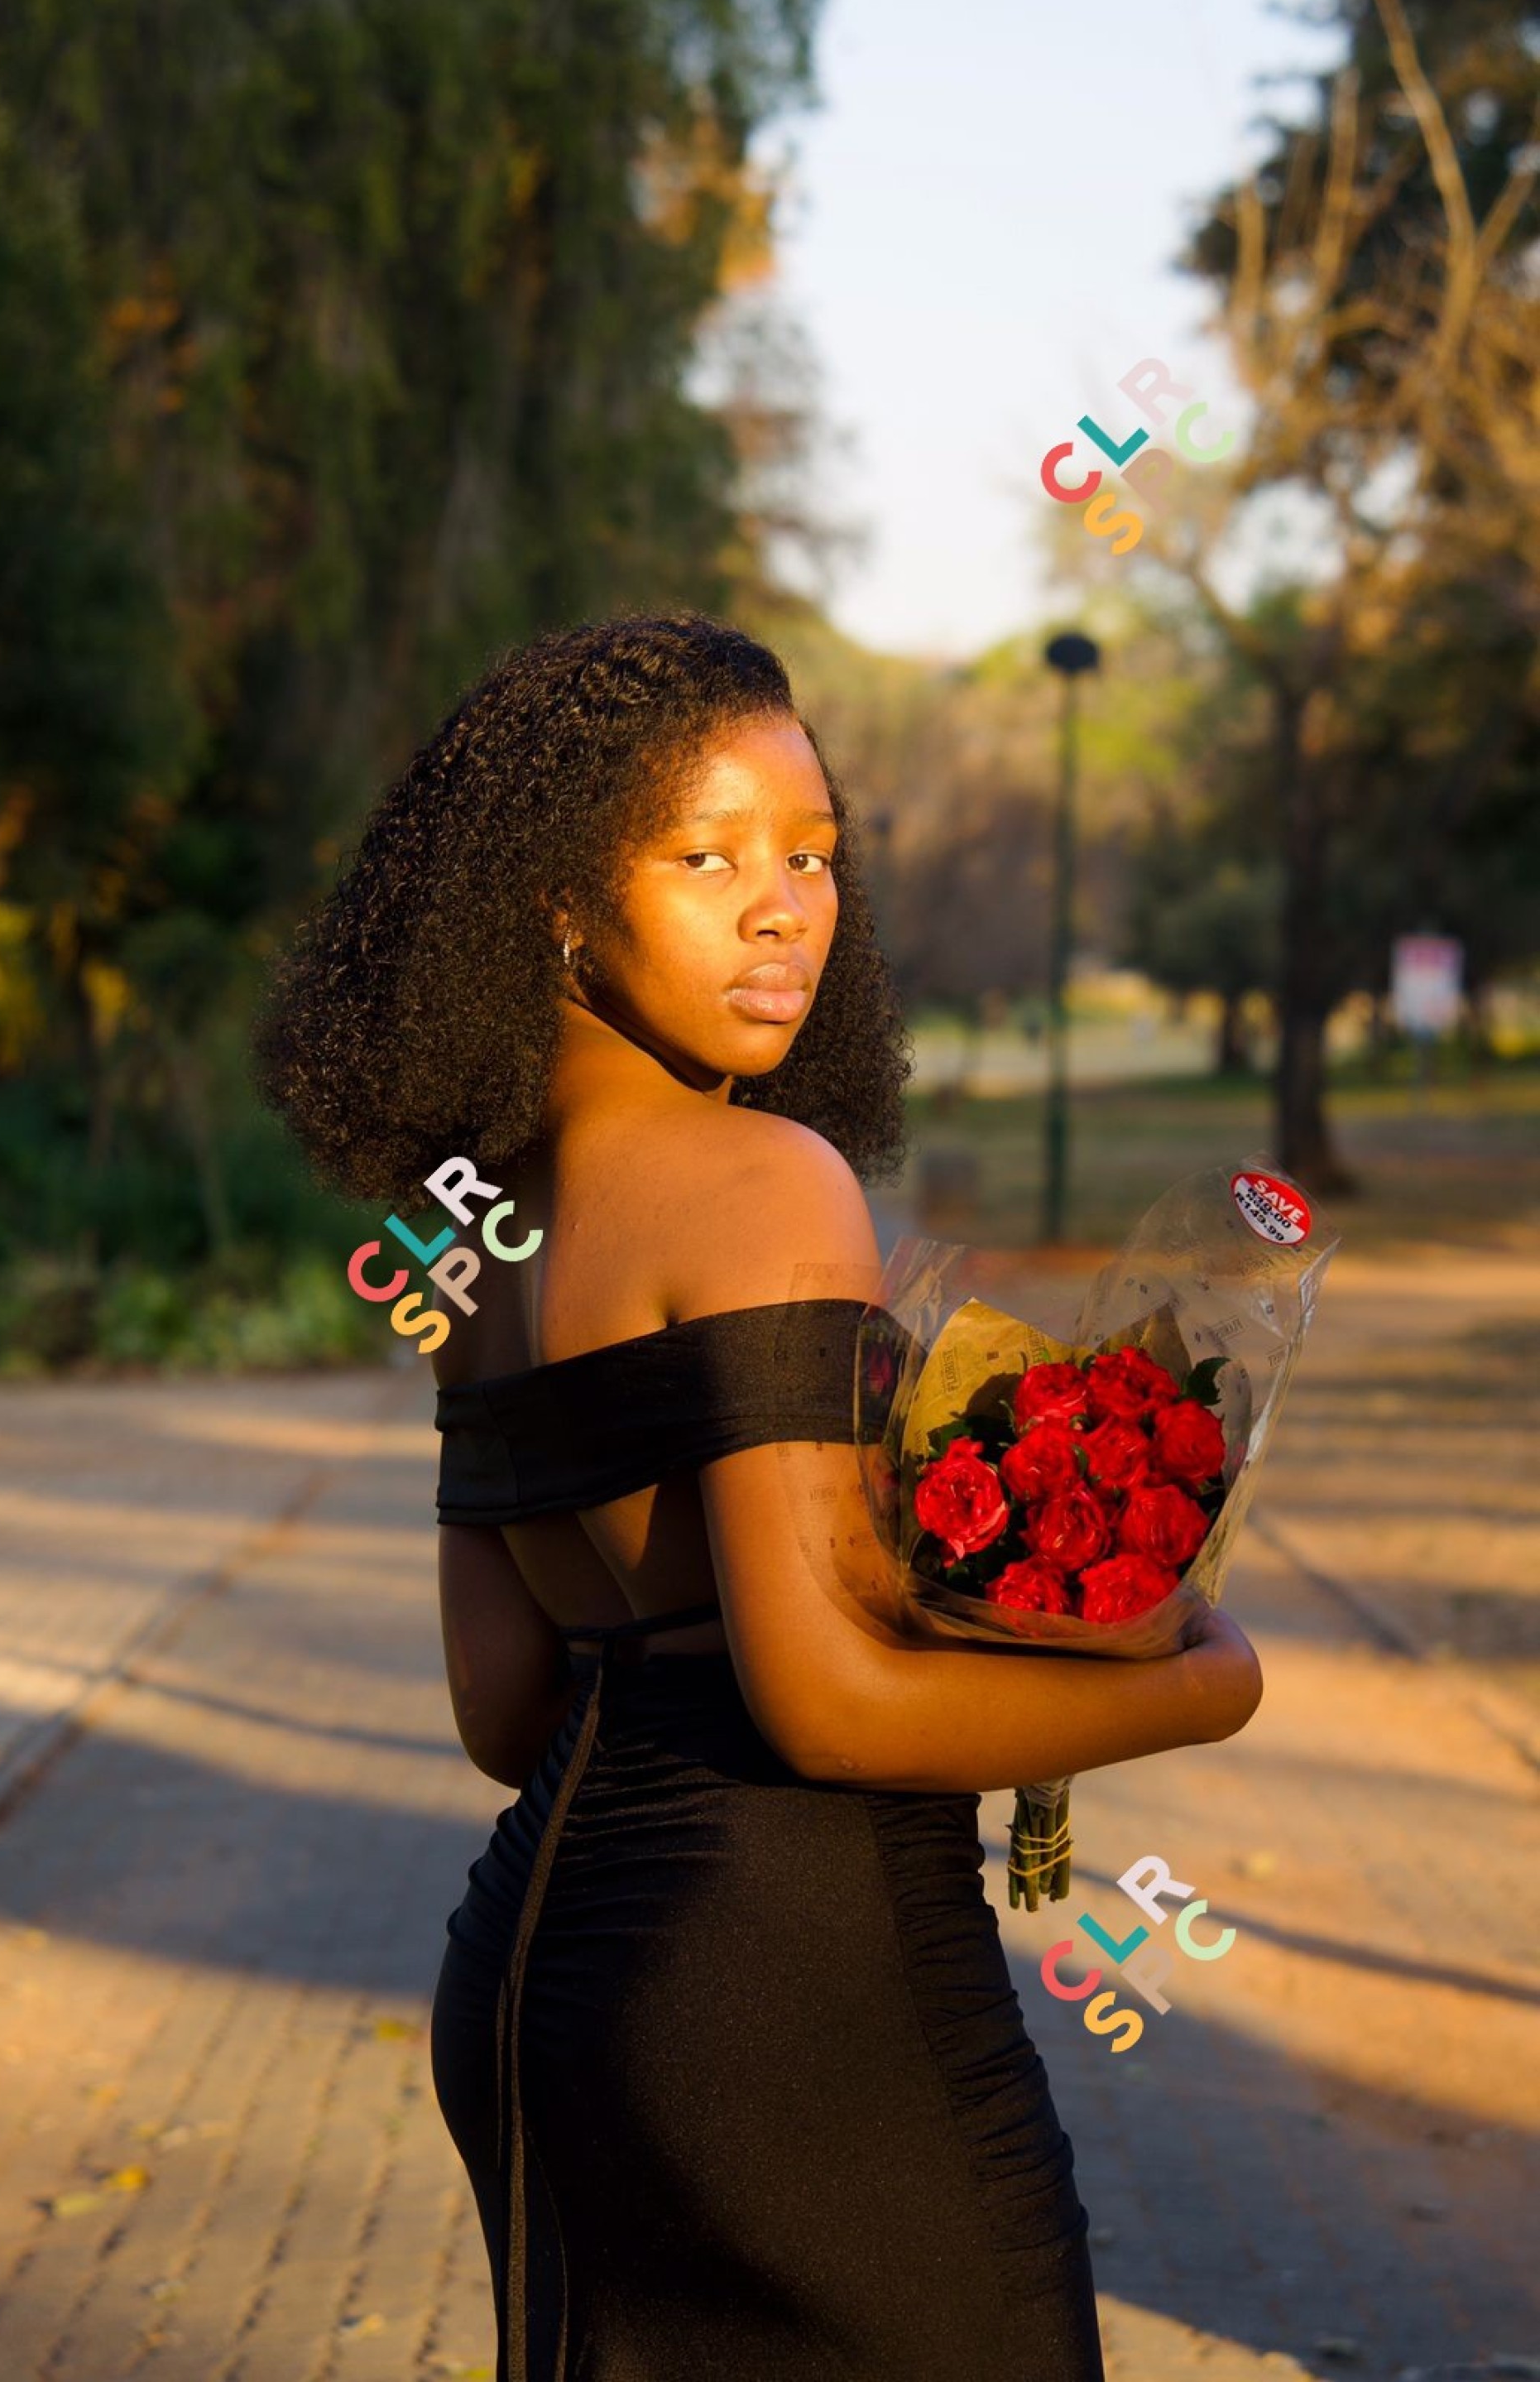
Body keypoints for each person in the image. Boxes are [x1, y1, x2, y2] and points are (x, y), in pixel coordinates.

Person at [251, 612, 1263, 2382]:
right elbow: (824, 1697)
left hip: (537, 1982)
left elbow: (505, 1710)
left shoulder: (455, 1225)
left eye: (812, 855)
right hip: (793, 2000)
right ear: (557, 899)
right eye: (706, 856)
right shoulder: (762, 1178)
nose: (784, 903)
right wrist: (1194, 1674)